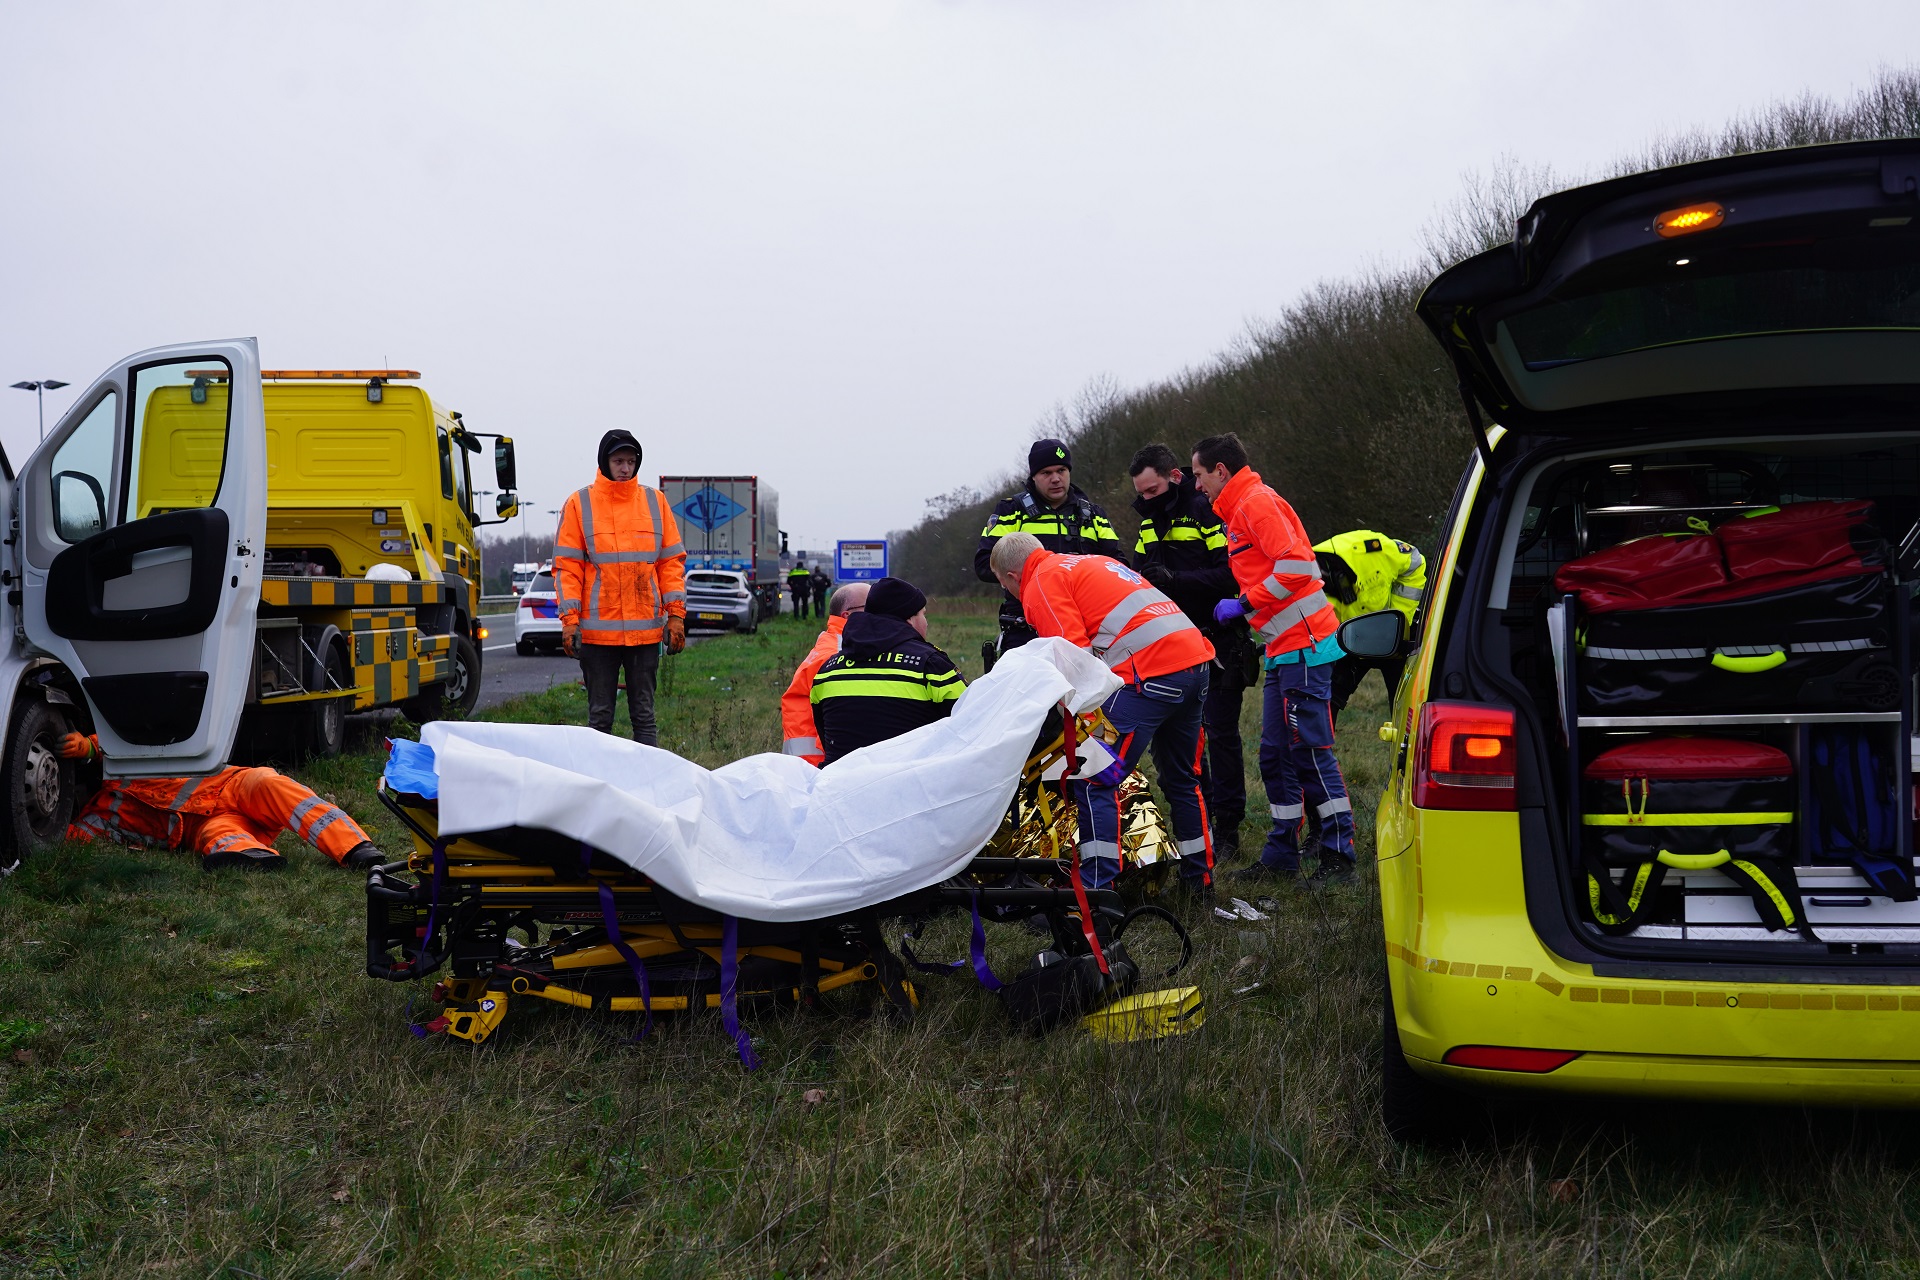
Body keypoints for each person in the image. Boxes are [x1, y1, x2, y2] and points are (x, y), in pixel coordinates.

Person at [989, 532, 1216, 892]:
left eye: (1006, 587)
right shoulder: (1089, 561)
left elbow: (1073, 659)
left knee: (1095, 779)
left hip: (1148, 676)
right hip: (1195, 666)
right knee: (1183, 780)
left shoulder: (1040, 583)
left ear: (1012, 577)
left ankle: (1097, 892)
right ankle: (1200, 882)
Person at [1193, 432, 1355, 883]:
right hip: (1284, 649)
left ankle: (1339, 855)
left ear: (1220, 470)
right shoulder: (1240, 508)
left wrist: (1243, 605)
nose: (1196, 485)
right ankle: (1282, 855)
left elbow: (1299, 568)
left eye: (1199, 475)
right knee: (1274, 754)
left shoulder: (1255, 504)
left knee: (1308, 751)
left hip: (1304, 645)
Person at [1128, 443, 1257, 863]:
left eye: (1153, 490)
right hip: (1173, 647)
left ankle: (1229, 828)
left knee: (1221, 734)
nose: (1147, 499)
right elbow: (1139, 570)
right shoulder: (1148, 520)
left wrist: (1176, 579)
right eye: (1142, 493)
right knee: (1189, 745)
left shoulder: (1207, 510)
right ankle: (1199, 824)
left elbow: (1230, 575)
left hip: (1219, 638)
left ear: (1175, 477)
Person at [58, 732, 383, 872]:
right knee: (219, 840)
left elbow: (128, 737)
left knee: (273, 785)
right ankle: (253, 857)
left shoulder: (119, 753)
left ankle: (353, 848)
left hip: (230, 784)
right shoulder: (98, 814)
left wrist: (89, 746)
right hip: (202, 824)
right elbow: (70, 839)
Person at [555, 429, 688, 746]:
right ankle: (601, 787)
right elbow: (567, 567)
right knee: (600, 719)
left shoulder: (655, 502)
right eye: (618, 461)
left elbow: (670, 563)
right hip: (598, 635)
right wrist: (569, 621)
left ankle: (647, 785)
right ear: (605, 462)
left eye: (631, 461)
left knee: (644, 716)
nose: (625, 468)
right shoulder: (579, 503)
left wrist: (676, 616)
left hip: (645, 633)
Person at [973, 439, 1121, 670]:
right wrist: (1035, 579)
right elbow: (984, 564)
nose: (1055, 478)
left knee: (1088, 698)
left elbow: (1118, 567)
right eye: (1046, 472)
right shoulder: (1011, 511)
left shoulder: (1093, 515)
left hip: (1085, 628)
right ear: (1033, 476)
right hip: (1026, 631)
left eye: (1061, 470)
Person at [810, 577, 965, 765]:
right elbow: (968, 726)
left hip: (839, 787)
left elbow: (827, 738)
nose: (926, 622)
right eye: (923, 614)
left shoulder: (827, 670)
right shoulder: (931, 666)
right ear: (909, 618)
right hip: (908, 785)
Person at [1314, 530, 1427, 716]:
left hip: (1394, 636)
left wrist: (1399, 622)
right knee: (1326, 698)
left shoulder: (1375, 551)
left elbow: (1414, 562)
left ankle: (1402, 743)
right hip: (1350, 638)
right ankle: (1321, 745)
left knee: (1406, 703)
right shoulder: (1305, 586)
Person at [780, 581, 871, 764]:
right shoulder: (837, 654)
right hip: (819, 762)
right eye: (871, 607)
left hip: (808, 760)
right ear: (848, 615)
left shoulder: (833, 643)